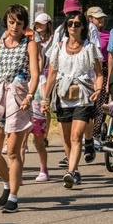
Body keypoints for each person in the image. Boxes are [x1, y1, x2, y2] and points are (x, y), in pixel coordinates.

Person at [0, 5, 39, 213]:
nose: (14, 26)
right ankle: (7, 183)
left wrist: (29, 96)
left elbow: (34, 74)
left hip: (18, 98)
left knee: (14, 152)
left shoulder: (30, 45)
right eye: (11, 21)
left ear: (25, 25)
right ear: (6, 21)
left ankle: (14, 197)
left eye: (19, 22)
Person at [42, 12, 104, 189]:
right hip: (63, 95)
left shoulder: (89, 48)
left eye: (77, 24)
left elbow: (99, 74)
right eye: (70, 23)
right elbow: (52, 75)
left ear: (83, 26)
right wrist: (45, 99)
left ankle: (69, 172)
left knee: (76, 136)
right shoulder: (59, 47)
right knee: (67, 139)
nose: (73, 27)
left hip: (83, 95)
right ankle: (74, 169)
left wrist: (98, 89)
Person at [31, 12, 53, 181]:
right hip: (23, 107)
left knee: (38, 142)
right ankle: (16, 172)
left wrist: (45, 100)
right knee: (20, 142)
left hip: (38, 104)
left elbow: (44, 82)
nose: (38, 26)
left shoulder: (51, 41)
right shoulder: (32, 40)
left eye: (41, 24)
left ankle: (43, 168)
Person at [86, 6, 109, 149]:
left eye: (102, 17)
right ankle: (87, 134)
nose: (101, 20)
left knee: (101, 103)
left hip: (103, 69)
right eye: (97, 17)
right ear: (90, 19)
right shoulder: (84, 35)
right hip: (88, 70)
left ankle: (96, 135)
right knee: (88, 104)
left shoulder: (108, 34)